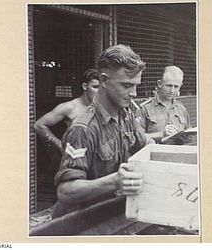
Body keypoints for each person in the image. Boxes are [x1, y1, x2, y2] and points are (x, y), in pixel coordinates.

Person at [52, 44, 154, 218]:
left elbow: (145, 144)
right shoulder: (82, 129)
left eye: (136, 85)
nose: (134, 93)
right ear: (104, 81)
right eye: (127, 85)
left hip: (109, 212)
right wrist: (115, 181)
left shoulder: (126, 115)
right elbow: (66, 191)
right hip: (79, 222)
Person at [34, 69, 100, 151]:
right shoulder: (70, 107)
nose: (99, 92)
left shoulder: (102, 108)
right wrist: (60, 145)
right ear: (85, 86)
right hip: (75, 158)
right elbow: (39, 125)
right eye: (95, 87)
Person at [137, 66, 191, 143]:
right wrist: (161, 134)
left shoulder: (182, 109)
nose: (172, 90)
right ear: (159, 84)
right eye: (169, 85)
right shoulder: (145, 108)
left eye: (176, 87)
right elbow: (137, 139)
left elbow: (189, 136)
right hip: (156, 153)